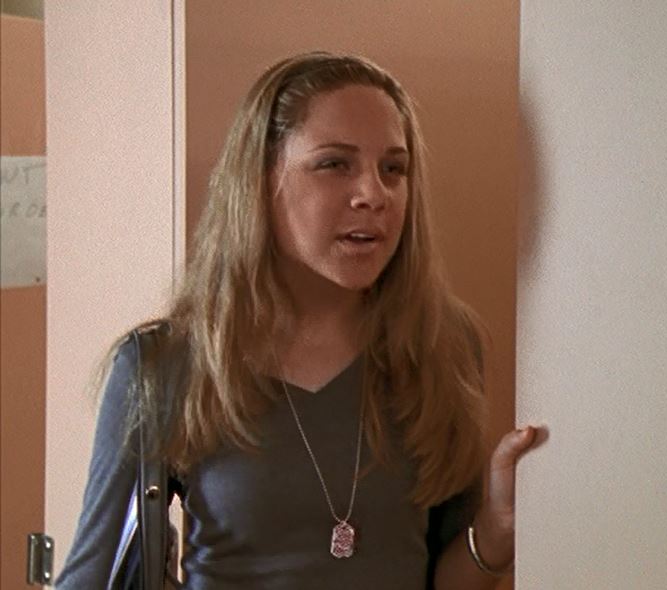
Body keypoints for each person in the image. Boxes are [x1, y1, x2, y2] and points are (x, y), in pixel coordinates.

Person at [56, 51, 537, 589]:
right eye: (335, 164)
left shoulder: (444, 344)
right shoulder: (165, 365)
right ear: (261, 180)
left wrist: (496, 531)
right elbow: (88, 578)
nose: (373, 195)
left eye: (393, 169)